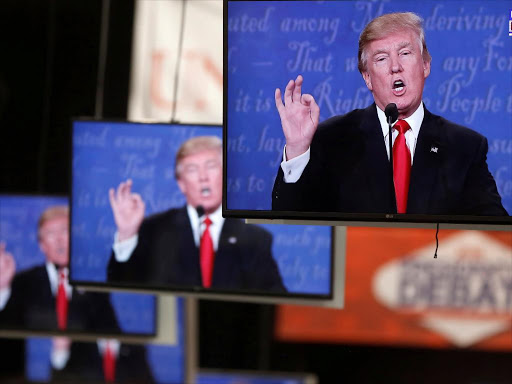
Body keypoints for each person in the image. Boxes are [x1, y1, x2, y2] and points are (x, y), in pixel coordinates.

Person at [272, 12, 508, 216]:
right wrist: (297, 150)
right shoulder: (333, 139)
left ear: (426, 65)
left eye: (405, 53)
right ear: (367, 78)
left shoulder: (464, 147)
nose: (395, 66)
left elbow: (495, 230)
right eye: (382, 58)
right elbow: (288, 217)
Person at [107, 136, 286, 291]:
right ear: (181, 184)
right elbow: (121, 289)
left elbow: (274, 298)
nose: (203, 177)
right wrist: (127, 235)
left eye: (211, 166)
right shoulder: (154, 230)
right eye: (192, 169)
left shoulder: (254, 240)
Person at [0, 206, 119, 333]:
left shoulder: (92, 282)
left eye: (64, 231)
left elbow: (110, 332)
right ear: (42, 245)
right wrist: (2, 287)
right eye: (50, 233)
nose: (59, 239)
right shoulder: (23, 282)